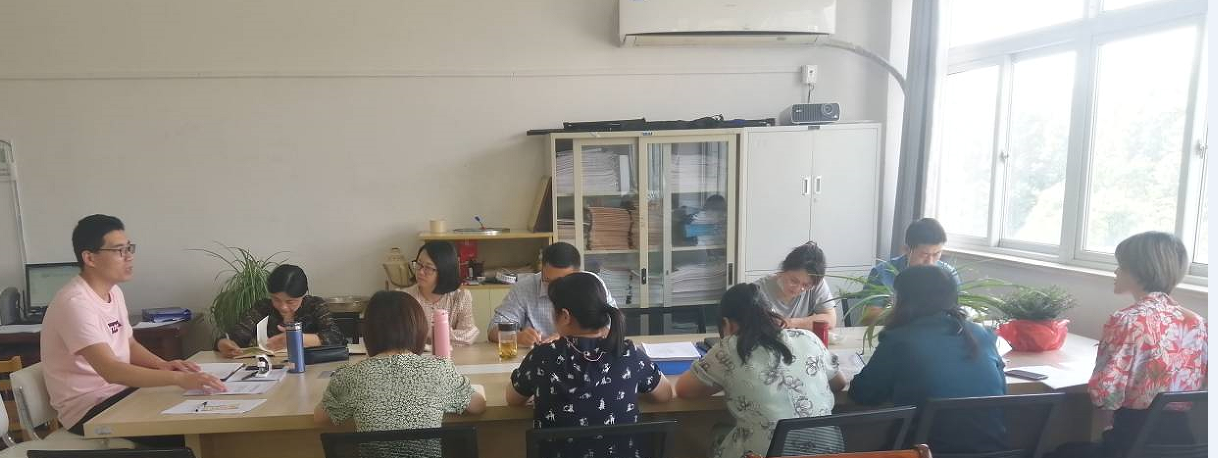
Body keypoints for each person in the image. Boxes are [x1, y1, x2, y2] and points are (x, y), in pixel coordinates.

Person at [41, 214, 226, 443]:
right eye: (119, 250)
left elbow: (128, 343)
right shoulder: (75, 303)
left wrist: (163, 365)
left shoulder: (113, 291)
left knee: (201, 411)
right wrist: (177, 379)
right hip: (88, 410)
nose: (129, 256)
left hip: (120, 393)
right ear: (90, 258)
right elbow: (111, 371)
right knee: (192, 433)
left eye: (129, 248)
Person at [1057, 232, 1205, 457]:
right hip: (1183, 445)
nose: (1115, 272)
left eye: (1121, 266)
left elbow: (1104, 394)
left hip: (1132, 440)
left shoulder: (1127, 320)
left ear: (1140, 270)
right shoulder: (1196, 322)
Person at [506, 272, 672, 458]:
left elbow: (513, 399)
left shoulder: (542, 357)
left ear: (565, 316)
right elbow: (665, 394)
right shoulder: (628, 353)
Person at [848, 265, 1007, 454]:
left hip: (925, 452)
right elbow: (1001, 389)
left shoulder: (900, 340)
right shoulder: (982, 334)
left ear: (904, 300)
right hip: (994, 451)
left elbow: (863, 394)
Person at [676, 283, 846, 458]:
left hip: (761, 455)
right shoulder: (808, 338)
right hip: (829, 452)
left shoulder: (729, 348)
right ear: (771, 314)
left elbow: (684, 390)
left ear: (727, 323)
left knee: (716, 433)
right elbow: (839, 382)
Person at [316, 291, 485, 456]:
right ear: (418, 329)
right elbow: (478, 406)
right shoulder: (439, 370)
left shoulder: (351, 376)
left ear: (369, 332)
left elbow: (321, 417)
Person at [488, 242, 617, 345]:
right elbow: (493, 329)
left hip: (584, 358)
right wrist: (518, 336)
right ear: (542, 269)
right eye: (547, 280)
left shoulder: (592, 284)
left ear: (578, 273)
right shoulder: (524, 288)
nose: (553, 288)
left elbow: (614, 324)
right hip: (540, 359)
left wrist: (567, 337)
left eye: (562, 282)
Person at [215, 264, 345, 357]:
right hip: (270, 370)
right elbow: (235, 336)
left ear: (303, 295)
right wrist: (224, 344)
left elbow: (336, 337)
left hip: (311, 367)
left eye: (290, 302)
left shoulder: (315, 305)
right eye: (276, 299)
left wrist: (298, 339)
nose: (283, 307)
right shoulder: (262, 308)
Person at [400, 241, 479, 345]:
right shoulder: (404, 298)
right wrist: (446, 335)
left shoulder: (461, 297)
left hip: (453, 354)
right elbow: (402, 337)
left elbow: (468, 335)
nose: (420, 272)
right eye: (419, 264)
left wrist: (430, 335)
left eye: (428, 268)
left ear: (444, 270)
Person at [754, 242, 838, 330]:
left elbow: (831, 320)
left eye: (806, 285)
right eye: (793, 281)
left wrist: (789, 323)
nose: (798, 288)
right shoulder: (758, 289)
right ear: (784, 270)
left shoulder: (815, 284)